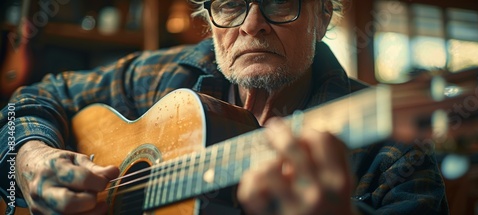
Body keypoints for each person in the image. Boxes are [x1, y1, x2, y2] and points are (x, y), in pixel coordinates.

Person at [0, 0, 449, 214]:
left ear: (322, 15)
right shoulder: (162, 76)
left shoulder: (394, 146)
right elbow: (31, 99)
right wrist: (30, 158)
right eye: (232, 5)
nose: (252, 24)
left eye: (279, 3)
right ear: (209, 19)